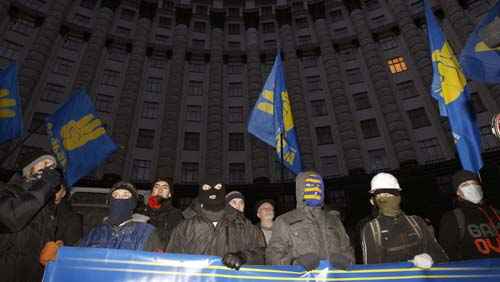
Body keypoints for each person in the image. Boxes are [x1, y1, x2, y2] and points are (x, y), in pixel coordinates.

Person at [167, 179, 265, 270]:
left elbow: (261, 253)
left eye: (218, 187)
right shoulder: (185, 227)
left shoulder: (243, 225)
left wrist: (243, 257)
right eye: (206, 188)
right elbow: (171, 260)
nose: (213, 191)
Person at [266, 171, 354, 271]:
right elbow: (272, 256)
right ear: (301, 190)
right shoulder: (285, 220)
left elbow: (347, 249)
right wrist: (294, 263)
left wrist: (346, 260)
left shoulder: (334, 221)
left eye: (319, 186)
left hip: (334, 277)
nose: (316, 190)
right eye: (311, 186)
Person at [0, 151, 64, 281]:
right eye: (45, 163)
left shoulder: (46, 208)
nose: (49, 169)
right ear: (29, 168)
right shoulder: (7, 191)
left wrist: (55, 250)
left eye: (52, 167)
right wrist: (45, 185)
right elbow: (10, 218)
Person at [361, 172, 448, 268]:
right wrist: (410, 263)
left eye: (390, 194)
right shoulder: (371, 229)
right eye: (380, 196)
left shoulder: (417, 222)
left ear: (399, 197)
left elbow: (441, 256)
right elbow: (373, 270)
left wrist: (431, 258)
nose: (385, 199)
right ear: (373, 201)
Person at [78, 181, 162, 251]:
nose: (119, 199)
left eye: (125, 196)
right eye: (115, 196)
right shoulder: (96, 232)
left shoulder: (146, 232)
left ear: (133, 203)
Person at [439, 170, 500, 260]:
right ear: (458, 192)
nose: (471, 187)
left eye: (473, 183)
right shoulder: (453, 217)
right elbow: (448, 252)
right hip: (478, 272)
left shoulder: (495, 212)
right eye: (465, 185)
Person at [143, 179, 183, 249]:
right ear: (152, 192)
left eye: (165, 188)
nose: (160, 190)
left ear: (169, 194)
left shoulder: (176, 214)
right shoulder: (142, 213)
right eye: (156, 187)